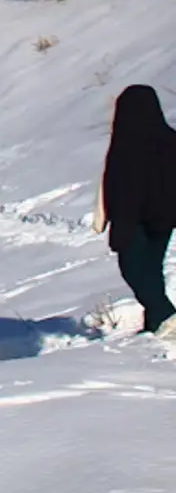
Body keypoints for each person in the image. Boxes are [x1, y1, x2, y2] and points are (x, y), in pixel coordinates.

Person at [95, 85, 176, 333]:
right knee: (151, 269)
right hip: (165, 219)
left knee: (133, 270)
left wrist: (120, 226)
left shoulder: (126, 144)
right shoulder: (170, 138)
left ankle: (166, 316)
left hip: (133, 220)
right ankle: (155, 324)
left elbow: (123, 189)